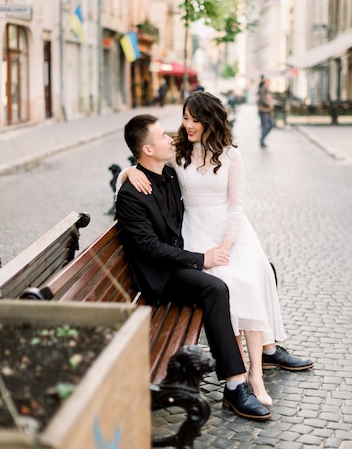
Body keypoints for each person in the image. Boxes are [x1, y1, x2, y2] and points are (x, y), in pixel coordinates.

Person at [118, 92, 313, 406]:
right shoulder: (177, 153)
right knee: (227, 284)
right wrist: (126, 172)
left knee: (259, 271)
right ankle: (241, 375)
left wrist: (226, 243)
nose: (186, 125)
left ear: (210, 120)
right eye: (185, 118)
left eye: (194, 119)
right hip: (195, 234)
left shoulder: (229, 154)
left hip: (227, 230)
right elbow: (143, 160)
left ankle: (260, 366)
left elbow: (236, 207)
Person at [115, 113, 271, 421]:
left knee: (230, 281)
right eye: (162, 136)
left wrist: (126, 170)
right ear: (147, 149)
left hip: (176, 262)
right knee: (215, 288)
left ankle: (243, 376)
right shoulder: (132, 195)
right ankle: (235, 385)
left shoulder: (169, 174)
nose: (170, 138)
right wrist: (201, 260)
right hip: (157, 278)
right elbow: (148, 248)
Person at [257, 78, 275, 148]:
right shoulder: (263, 90)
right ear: (265, 83)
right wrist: (268, 105)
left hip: (269, 111)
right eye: (268, 83)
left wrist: (271, 109)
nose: (269, 84)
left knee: (271, 124)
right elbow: (262, 100)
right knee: (265, 126)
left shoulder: (268, 90)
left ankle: (262, 139)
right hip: (264, 111)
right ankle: (262, 140)